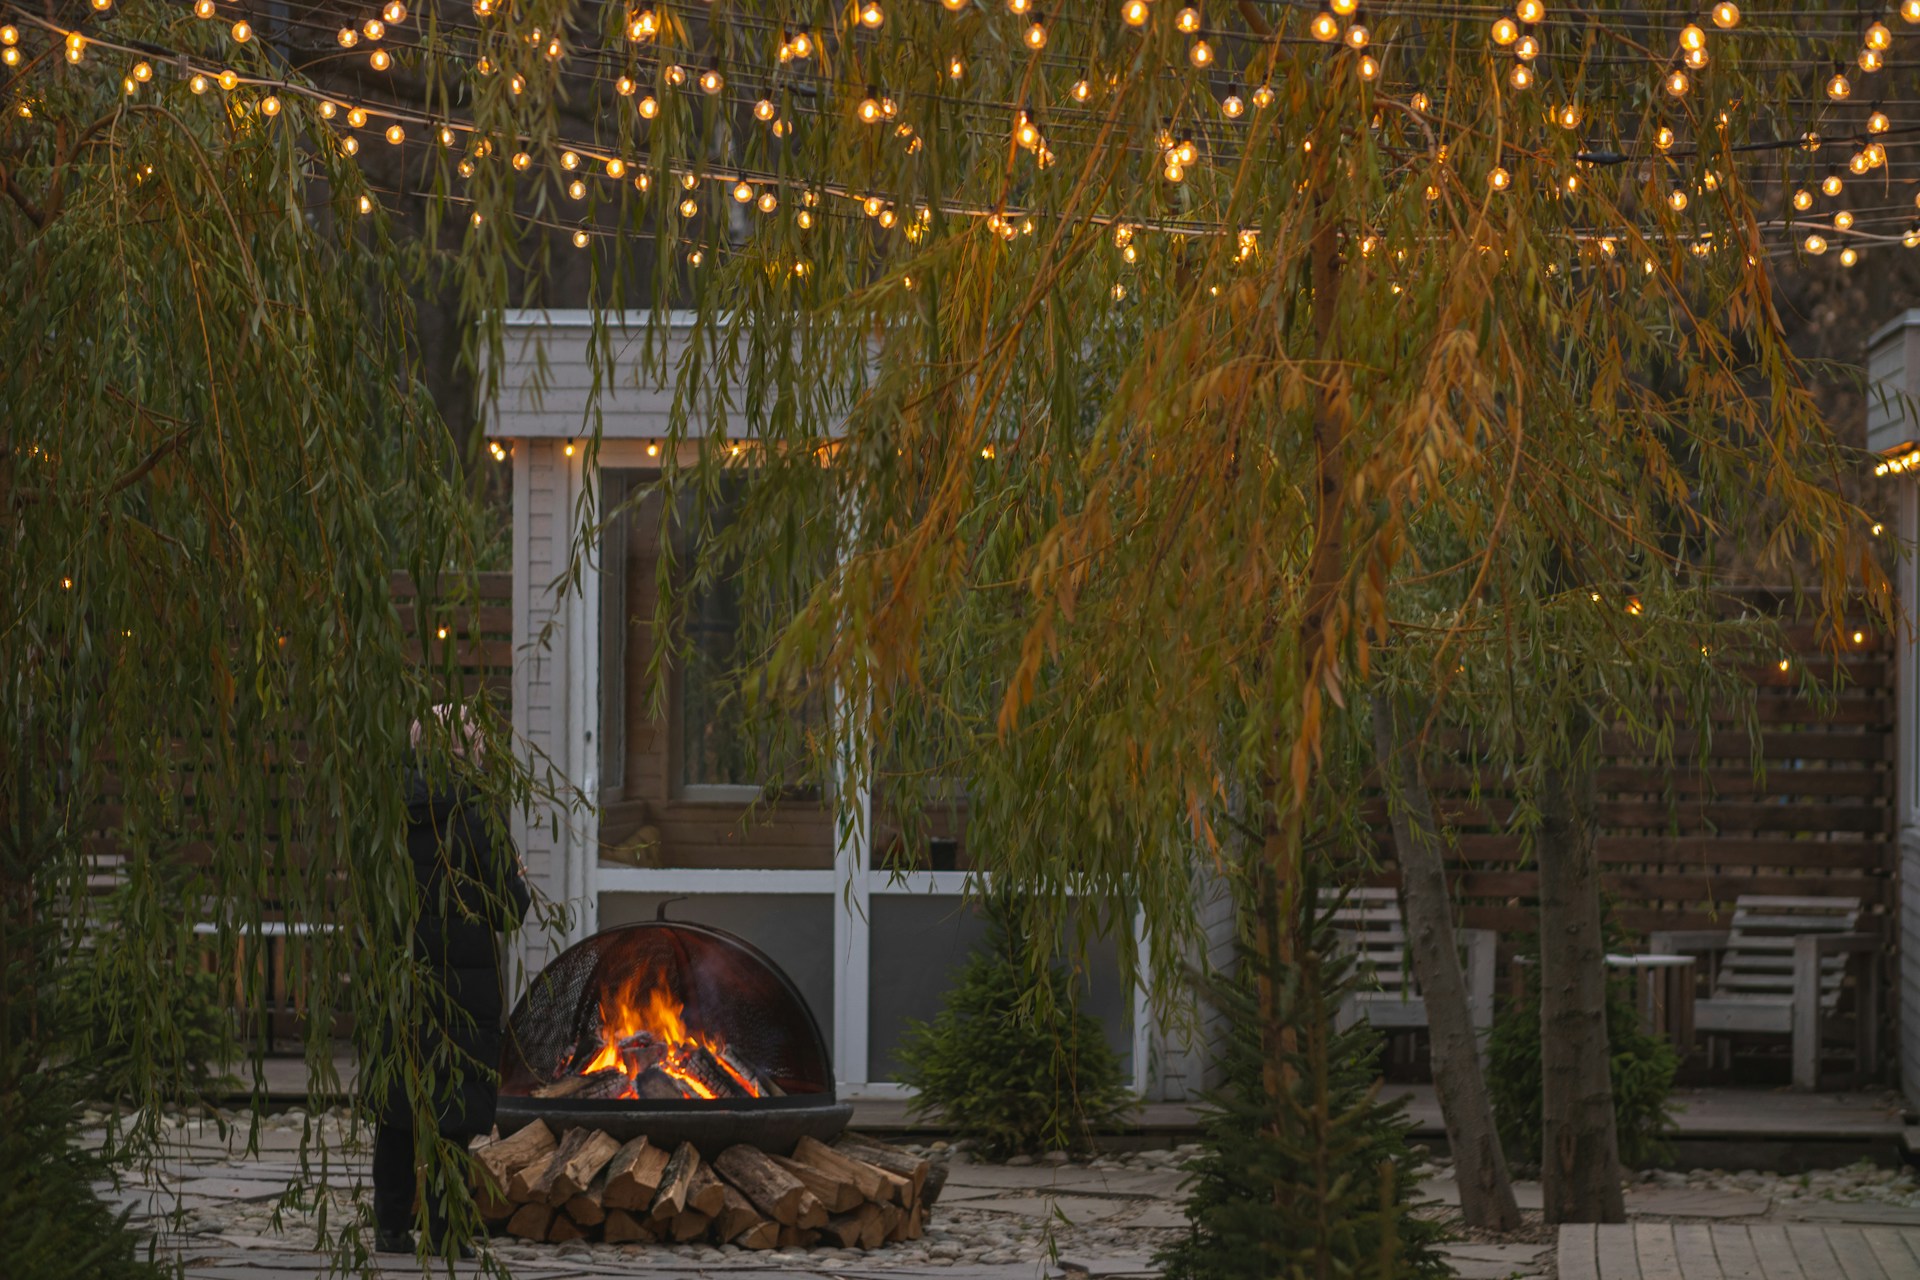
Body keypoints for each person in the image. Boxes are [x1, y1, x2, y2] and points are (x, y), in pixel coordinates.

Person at [372, 708, 532, 1256]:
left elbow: (372, 898)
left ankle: (391, 1225)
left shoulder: (389, 810)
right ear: (473, 752)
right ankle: (445, 1230)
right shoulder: (479, 815)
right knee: (453, 1110)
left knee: (398, 1104)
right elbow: (509, 909)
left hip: (403, 981)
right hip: (466, 988)